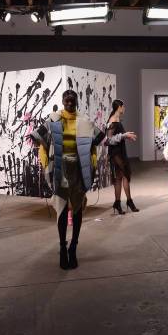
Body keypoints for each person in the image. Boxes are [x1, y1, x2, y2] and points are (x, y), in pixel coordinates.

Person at [30, 90, 105, 270]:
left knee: (77, 208)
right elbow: (37, 141)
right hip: (60, 169)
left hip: (78, 168)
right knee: (62, 209)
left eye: (73, 100)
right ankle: (63, 248)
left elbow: (98, 141)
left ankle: (74, 247)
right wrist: (45, 163)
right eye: (67, 100)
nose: (70, 103)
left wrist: (92, 165)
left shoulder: (85, 121)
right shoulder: (54, 120)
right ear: (63, 101)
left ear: (77, 101)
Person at [106, 99, 139, 214]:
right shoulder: (113, 120)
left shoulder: (117, 119)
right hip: (116, 153)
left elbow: (116, 136)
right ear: (119, 107)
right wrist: (124, 135)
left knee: (120, 177)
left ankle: (118, 203)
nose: (124, 108)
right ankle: (128, 201)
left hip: (120, 151)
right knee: (124, 176)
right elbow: (108, 140)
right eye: (123, 106)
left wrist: (127, 136)